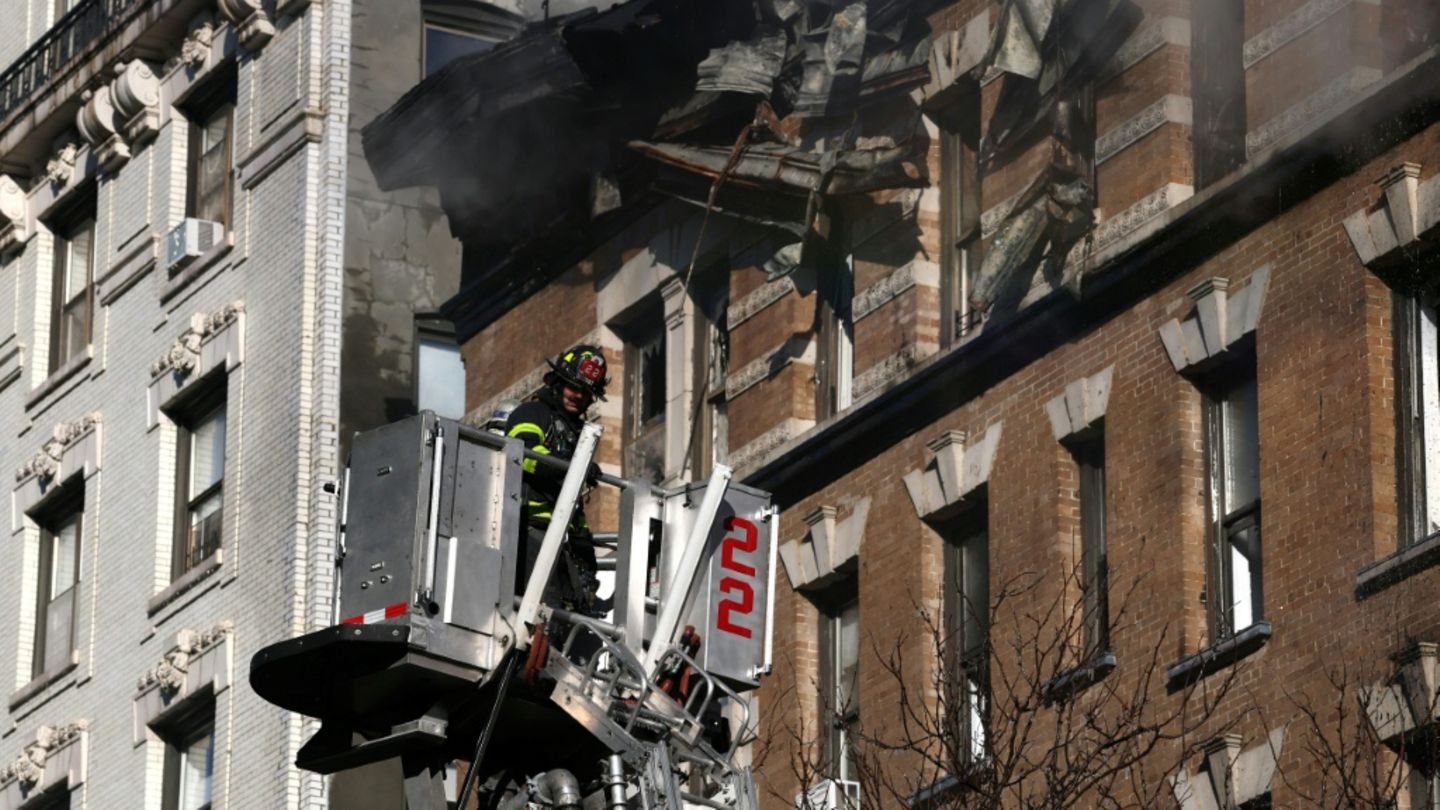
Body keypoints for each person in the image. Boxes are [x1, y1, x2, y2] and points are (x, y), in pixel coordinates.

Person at [505, 344, 608, 614]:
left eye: (586, 392)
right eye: (573, 386)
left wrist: (583, 541)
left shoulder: (579, 434)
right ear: (558, 381)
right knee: (543, 613)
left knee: (572, 612)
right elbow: (525, 456)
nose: (578, 396)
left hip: (566, 537)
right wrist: (575, 466)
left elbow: (573, 499)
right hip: (533, 529)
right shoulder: (531, 414)